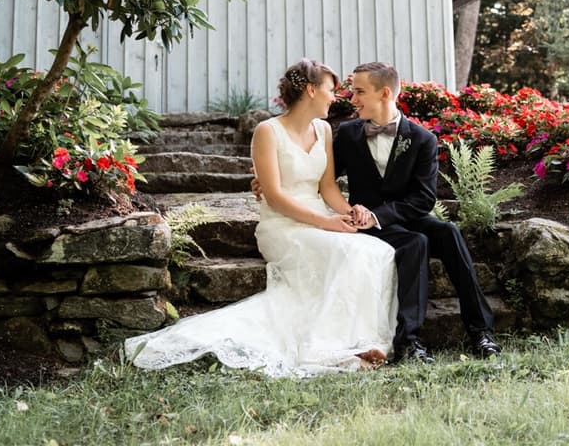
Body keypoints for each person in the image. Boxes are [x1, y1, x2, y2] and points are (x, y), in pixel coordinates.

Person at [124, 59, 397, 377]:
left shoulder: (323, 130)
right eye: (331, 90)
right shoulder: (267, 132)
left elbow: (327, 188)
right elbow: (276, 196)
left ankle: (361, 340)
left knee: (377, 250)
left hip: (318, 218)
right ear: (311, 90)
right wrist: (326, 224)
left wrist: (350, 214)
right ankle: (328, 347)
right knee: (345, 251)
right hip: (282, 225)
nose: (336, 97)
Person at [332, 62, 501, 362]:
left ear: (384, 93)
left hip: (402, 217)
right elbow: (323, 174)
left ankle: (480, 331)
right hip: (364, 222)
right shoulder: (347, 134)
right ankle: (409, 341)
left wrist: (380, 215)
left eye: (359, 91)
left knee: (448, 232)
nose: (352, 98)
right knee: (415, 243)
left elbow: (423, 199)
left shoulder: (423, 139)